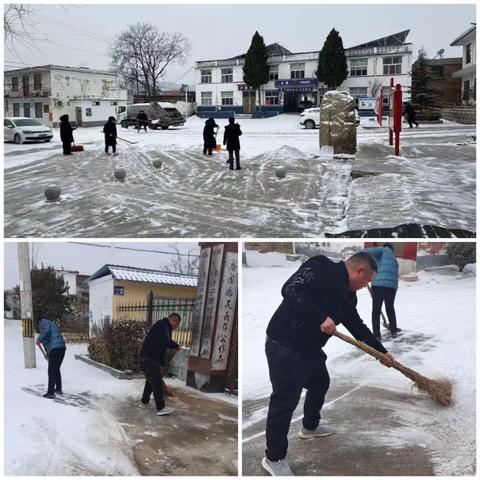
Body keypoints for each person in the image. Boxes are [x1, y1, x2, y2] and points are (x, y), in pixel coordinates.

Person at [262, 253, 395, 476]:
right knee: (285, 401)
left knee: (320, 383)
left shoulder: (348, 297)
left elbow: (357, 326)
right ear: (359, 271)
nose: (366, 287)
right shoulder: (320, 266)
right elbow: (291, 289)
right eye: (367, 281)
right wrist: (320, 317)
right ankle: (274, 458)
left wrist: (380, 352)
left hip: (309, 349)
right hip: (284, 344)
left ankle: (310, 426)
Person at [139, 313, 181, 415]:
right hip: (149, 358)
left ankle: (145, 400)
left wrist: (161, 363)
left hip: (148, 357)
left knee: (150, 380)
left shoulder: (162, 326)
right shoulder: (163, 326)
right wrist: (176, 346)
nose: (177, 327)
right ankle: (161, 408)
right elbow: (165, 341)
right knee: (157, 382)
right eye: (177, 324)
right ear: (174, 321)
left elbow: (161, 345)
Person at [362, 243, 401, 340]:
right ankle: (393, 331)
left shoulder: (383, 250)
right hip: (392, 287)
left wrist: (359, 259)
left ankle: (376, 335)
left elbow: (365, 252)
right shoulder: (394, 260)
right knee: (390, 309)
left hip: (378, 286)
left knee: (376, 311)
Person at [35, 316, 66, 399]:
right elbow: (48, 344)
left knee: (51, 371)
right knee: (56, 369)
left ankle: (50, 392)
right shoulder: (50, 326)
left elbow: (46, 331)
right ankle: (58, 388)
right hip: (61, 348)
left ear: (38, 322)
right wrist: (47, 354)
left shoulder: (44, 322)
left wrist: (39, 339)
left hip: (56, 349)